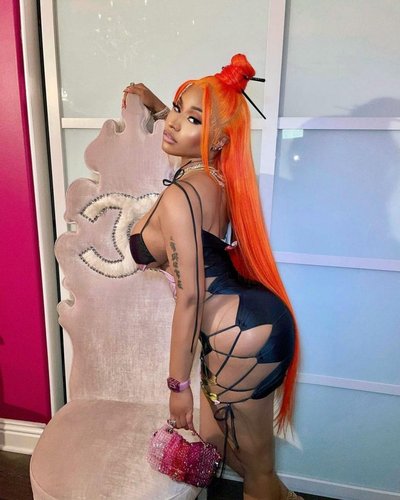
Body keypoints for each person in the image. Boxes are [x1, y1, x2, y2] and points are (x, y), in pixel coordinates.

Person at [125, 54, 301, 500]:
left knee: (257, 472)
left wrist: (178, 387)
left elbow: (190, 298)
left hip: (238, 335)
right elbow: (193, 134)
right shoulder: (215, 177)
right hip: (238, 327)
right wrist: (158, 107)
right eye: (177, 109)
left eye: (192, 118)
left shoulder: (183, 196)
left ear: (219, 138)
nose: (174, 123)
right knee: (225, 449)